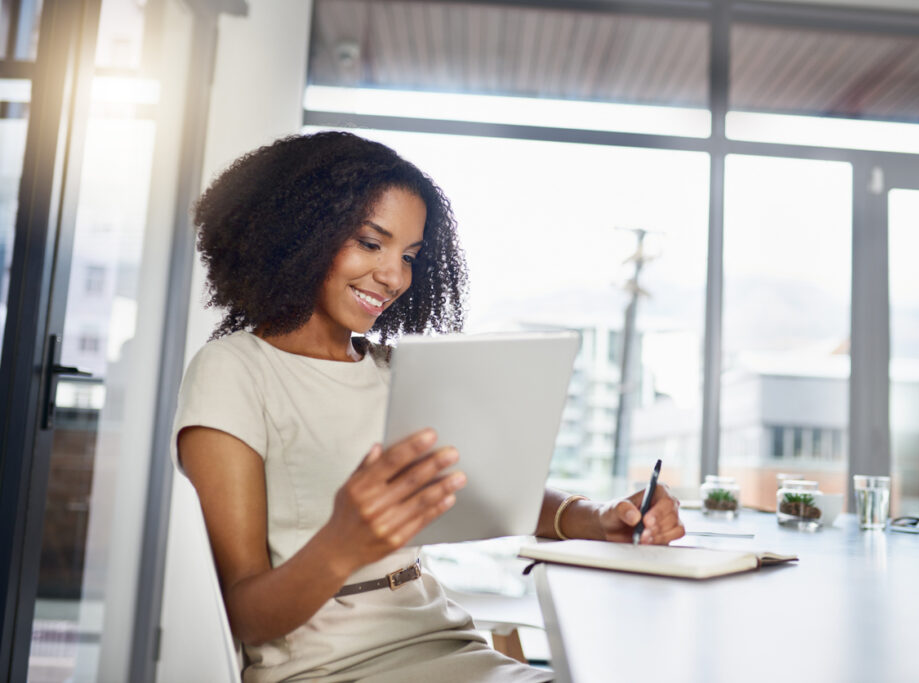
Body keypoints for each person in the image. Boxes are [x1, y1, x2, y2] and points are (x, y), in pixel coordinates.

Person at [174, 131, 684, 683]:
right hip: (332, 668)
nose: (394, 276)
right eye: (371, 243)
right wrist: (342, 543)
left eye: (409, 256)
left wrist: (600, 517)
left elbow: (482, 490)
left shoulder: (392, 368)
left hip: (448, 643)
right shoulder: (234, 370)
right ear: (299, 231)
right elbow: (246, 616)